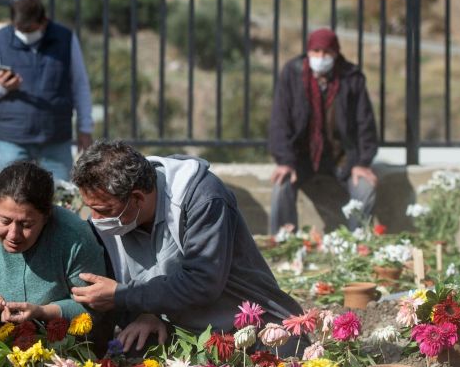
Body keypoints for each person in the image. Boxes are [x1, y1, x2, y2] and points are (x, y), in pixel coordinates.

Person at [70, 140, 304, 354]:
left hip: (246, 323)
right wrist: (144, 313)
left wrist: (124, 296)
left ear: (138, 199)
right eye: (90, 207)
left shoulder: (201, 197)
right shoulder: (109, 222)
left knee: (285, 360)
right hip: (174, 327)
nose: (96, 218)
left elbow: (202, 282)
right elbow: (112, 288)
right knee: (129, 358)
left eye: (104, 210)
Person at [0, 161, 106, 352]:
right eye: (4, 220)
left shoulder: (75, 238)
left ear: (47, 216)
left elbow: (94, 308)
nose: (13, 234)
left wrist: (42, 312)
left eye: (26, 224)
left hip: (58, 330)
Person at [268, 27, 379, 234]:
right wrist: (285, 161)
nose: (321, 57)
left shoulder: (351, 78)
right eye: (316, 52)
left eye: (327, 53)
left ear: (336, 54)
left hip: (342, 158)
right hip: (301, 157)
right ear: (308, 52)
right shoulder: (292, 74)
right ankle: (283, 245)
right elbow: (279, 122)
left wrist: (363, 162)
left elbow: (365, 123)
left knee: (365, 188)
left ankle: (357, 245)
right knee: (281, 185)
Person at [0, 0, 93, 182]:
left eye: (29, 29)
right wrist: (2, 86)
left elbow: (80, 85)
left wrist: (84, 128)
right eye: (19, 29)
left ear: (43, 22)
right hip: (14, 139)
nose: (23, 33)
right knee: (14, 200)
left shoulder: (66, 39)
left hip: (56, 139)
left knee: (62, 201)